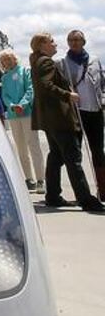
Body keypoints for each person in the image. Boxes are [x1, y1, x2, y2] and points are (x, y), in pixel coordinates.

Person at [29, 33, 104, 213]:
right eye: (52, 41)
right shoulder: (46, 62)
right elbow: (45, 85)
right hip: (60, 118)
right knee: (73, 158)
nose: (56, 44)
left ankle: (53, 196)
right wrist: (67, 95)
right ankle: (86, 199)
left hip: (50, 119)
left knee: (56, 157)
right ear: (42, 45)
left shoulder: (37, 61)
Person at [60, 30, 105, 201]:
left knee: (98, 151)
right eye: (71, 40)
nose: (74, 42)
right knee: (76, 153)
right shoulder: (63, 63)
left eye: (77, 39)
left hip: (95, 110)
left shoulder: (94, 61)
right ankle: (83, 193)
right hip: (77, 112)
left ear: (84, 41)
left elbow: (101, 83)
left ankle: (103, 189)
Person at [0, 48, 45, 192]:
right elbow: (5, 95)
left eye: (9, 58)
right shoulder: (4, 78)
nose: (7, 61)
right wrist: (12, 106)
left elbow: (30, 89)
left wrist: (23, 104)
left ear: (14, 58)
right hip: (13, 115)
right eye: (4, 60)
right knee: (21, 148)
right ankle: (28, 178)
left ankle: (40, 179)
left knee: (33, 145)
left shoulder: (25, 71)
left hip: (27, 113)